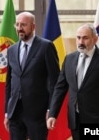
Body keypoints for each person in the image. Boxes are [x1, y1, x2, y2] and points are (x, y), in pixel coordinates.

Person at [47, 23, 99, 140]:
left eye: (85, 38)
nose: (81, 42)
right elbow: (59, 89)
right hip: (75, 121)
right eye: (78, 38)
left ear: (95, 39)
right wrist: (52, 114)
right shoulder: (69, 59)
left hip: (98, 121)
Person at [4, 12, 60, 140]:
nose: (19, 28)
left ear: (33, 27)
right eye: (17, 25)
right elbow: (9, 83)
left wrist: (50, 110)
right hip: (15, 112)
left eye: (23, 25)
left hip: (38, 113)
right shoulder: (11, 50)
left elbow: (54, 82)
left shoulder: (46, 47)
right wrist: (7, 112)